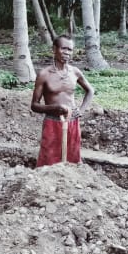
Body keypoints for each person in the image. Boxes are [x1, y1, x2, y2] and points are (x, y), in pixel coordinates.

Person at [30, 35, 95, 167]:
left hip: (72, 122)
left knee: (73, 159)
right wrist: (54, 107)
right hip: (52, 123)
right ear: (54, 49)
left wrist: (81, 111)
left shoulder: (75, 72)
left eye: (70, 49)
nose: (67, 52)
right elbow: (34, 105)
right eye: (63, 48)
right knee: (48, 159)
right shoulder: (44, 74)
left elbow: (90, 91)